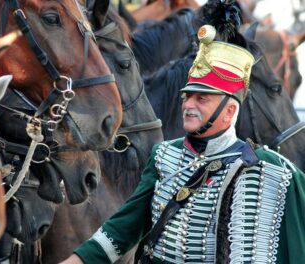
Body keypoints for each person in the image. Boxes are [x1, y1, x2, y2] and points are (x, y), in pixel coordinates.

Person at [60, 23, 305, 264]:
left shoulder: (270, 171)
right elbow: (122, 230)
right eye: (187, 96)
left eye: (202, 99)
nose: (188, 105)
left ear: (230, 111)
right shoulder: (163, 154)